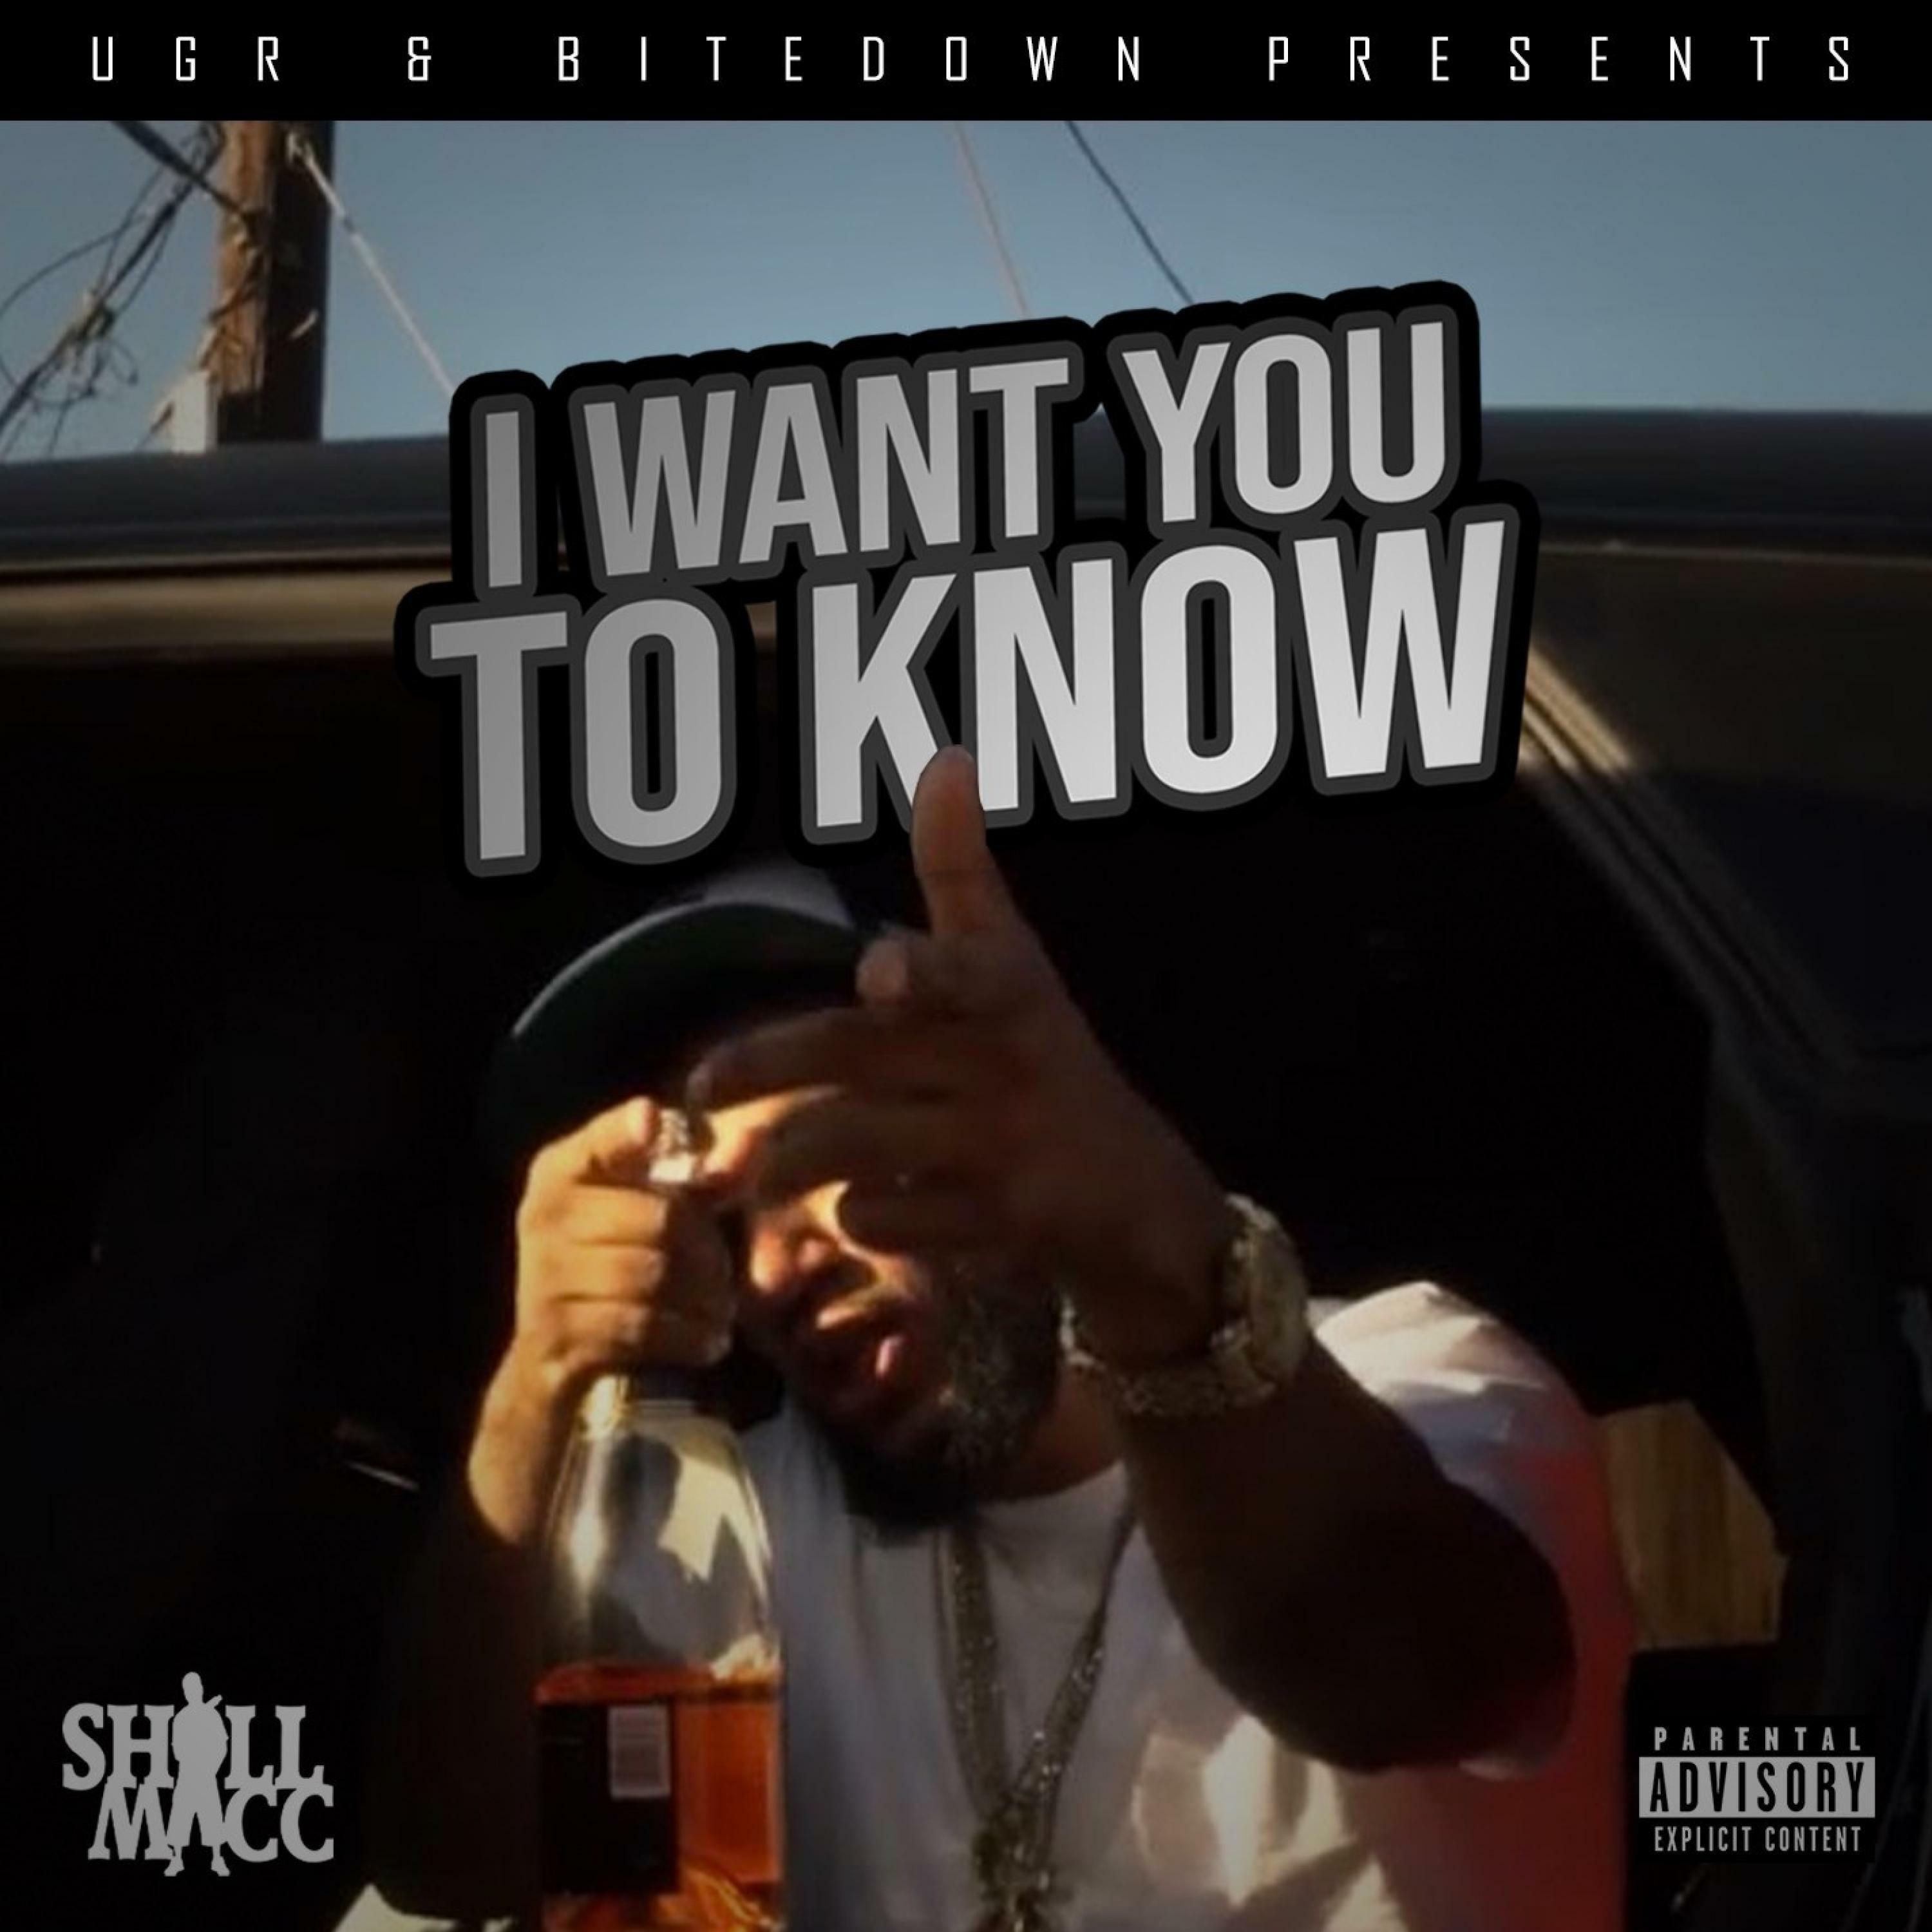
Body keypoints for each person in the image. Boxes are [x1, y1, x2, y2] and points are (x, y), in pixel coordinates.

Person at [366, 746, 1633, 1932]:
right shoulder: (751, 1527)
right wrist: (537, 1383)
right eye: (719, 1223)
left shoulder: (1423, 1383)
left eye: (809, 1158)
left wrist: (1149, 1248)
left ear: (974, 1103)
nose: (773, 1270)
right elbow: (459, 1859)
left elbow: (1396, 1678)